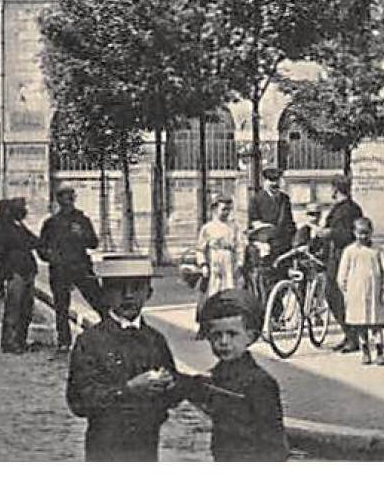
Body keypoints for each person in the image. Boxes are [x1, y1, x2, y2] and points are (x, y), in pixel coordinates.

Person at [66, 257, 191, 460]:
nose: (128, 296)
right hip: (105, 447)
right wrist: (128, 389)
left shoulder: (154, 340)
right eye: (118, 288)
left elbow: (171, 397)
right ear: (105, 294)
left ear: (148, 293)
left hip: (145, 445)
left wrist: (170, 386)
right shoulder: (91, 341)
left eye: (136, 288)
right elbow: (78, 401)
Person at [189, 290, 289, 461]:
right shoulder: (214, 376)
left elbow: (274, 442)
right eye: (216, 335)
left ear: (250, 337)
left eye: (232, 334)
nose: (224, 342)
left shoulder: (260, 382)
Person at [40, 186, 105, 350]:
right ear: (58, 200)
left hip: (81, 267)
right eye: (65, 198)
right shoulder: (51, 223)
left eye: (71, 198)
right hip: (60, 269)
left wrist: (82, 234)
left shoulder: (82, 220)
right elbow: (41, 247)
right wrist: (50, 257)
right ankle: (64, 341)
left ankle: (110, 333)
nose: (69, 201)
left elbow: (94, 243)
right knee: (61, 307)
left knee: (99, 301)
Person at [337, 217, 384, 366]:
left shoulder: (377, 250)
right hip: (357, 293)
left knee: (376, 324)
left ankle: (380, 353)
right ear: (354, 233)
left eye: (366, 233)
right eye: (360, 233)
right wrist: (346, 291)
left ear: (371, 233)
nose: (363, 236)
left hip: (375, 292)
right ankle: (365, 352)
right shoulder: (349, 251)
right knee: (361, 324)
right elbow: (342, 274)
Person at [0, 198, 43, 353]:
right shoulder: (5, 228)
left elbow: (35, 241)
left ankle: (21, 340)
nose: (23, 211)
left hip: (27, 270)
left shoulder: (20, 226)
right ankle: (10, 342)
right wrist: (2, 274)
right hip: (15, 272)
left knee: (26, 308)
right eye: (20, 208)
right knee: (14, 308)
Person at [320, 177, 364, 353]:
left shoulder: (348, 210)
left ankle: (352, 337)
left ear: (336, 190)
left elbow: (349, 235)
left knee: (336, 296)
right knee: (338, 297)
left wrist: (330, 233)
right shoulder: (348, 208)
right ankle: (349, 335)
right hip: (337, 256)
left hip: (344, 258)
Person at [193, 197, 244, 327]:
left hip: (229, 263)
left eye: (228, 209)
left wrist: (239, 263)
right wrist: (203, 264)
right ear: (215, 209)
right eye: (223, 209)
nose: (226, 212)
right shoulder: (208, 228)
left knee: (229, 293)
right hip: (214, 261)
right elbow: (200, 248)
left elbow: (240, 246)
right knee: (211, 294)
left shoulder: (234, 227)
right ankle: (207, 325)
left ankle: (227, 323)